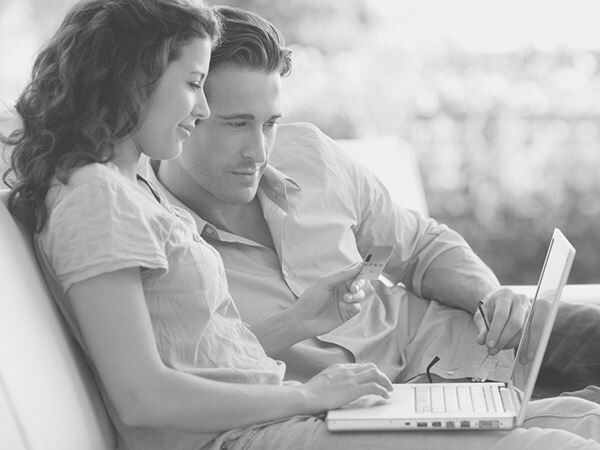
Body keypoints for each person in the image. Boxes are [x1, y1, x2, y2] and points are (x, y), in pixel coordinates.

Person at [4, 1, 600, 450]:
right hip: (265, 424)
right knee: (557, 443)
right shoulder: (99, 198)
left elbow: (194, 353)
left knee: (583, 424)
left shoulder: (118, 190)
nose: (204, 109)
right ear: (133, 82)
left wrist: (306, 320)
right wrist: (309, 395)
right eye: (194, 86)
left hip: (298, 406)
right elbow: (140, 397)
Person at [152, 5, 600, 394]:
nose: (260, 151)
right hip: (396, 403)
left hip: (478, 337)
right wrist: (294, 324)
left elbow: (420, 248)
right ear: (185, 111)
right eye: (236, 124)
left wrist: (488, 297)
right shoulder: (157, 233)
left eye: (269, 123)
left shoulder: (309, 154)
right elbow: (198, 370)